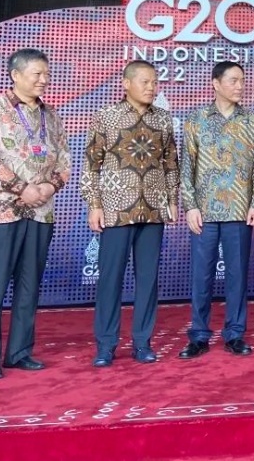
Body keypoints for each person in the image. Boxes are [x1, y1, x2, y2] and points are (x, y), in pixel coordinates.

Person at [0, 49, 71, 380]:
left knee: (29, 286)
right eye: (37, 73)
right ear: (15, 74)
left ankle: (20, 351)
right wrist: (21, 188)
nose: (44, 80)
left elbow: (65, 160)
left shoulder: (51, 115)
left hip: (40, 212)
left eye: (46, 74)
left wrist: (49, 187)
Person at [81, 60, 179, 367]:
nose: (151, 87)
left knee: (148, 280)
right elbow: (91, 164)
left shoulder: (163, 118)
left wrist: (172, 200)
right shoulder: (106, 116)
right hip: (115, 210)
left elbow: (171, 163)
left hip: (153, 210)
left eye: (154, 82)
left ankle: (142, 342)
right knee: (110, 279)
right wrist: (94, 204)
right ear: (126, 83)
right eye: (145, 82)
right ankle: (106, 345)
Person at [179, 62, 254, 359]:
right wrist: (190, 206)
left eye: (242, 80)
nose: (240, 86)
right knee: (201, 276)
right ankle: (199, 335)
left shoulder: (252, 121)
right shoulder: (196, 119)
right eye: (233, 80)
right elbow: (187, 167)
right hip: (204, 211)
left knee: (237, 276)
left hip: (239, 211)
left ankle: (235, 334)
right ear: (216, 83)